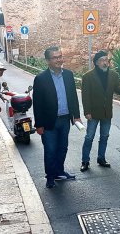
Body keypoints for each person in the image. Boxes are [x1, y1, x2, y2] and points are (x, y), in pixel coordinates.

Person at [33, 46, 82, 189]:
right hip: (49, 122)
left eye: (60, 56)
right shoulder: (41, 79)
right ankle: (50, 176)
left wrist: (76, 116)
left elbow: (73, 97)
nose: (59, 60)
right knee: (50, 150)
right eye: (55, 57)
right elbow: (37, 103)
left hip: (65, 119)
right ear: (48, 61)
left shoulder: (68, 75)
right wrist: (39, 125)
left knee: (63, 148)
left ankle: (59, 171)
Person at [80, 50, 120, 172]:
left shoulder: (114, 75)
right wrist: (87, 112)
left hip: (107, 113)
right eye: (102, 60)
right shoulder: (87, 77)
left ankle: (101, 158)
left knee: (104, 136)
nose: (105, 63)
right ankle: (85, 161)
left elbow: (117, 91)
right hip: (93, 113)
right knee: (89, 137)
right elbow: (85, 96)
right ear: (96, 63)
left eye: (106, 60)